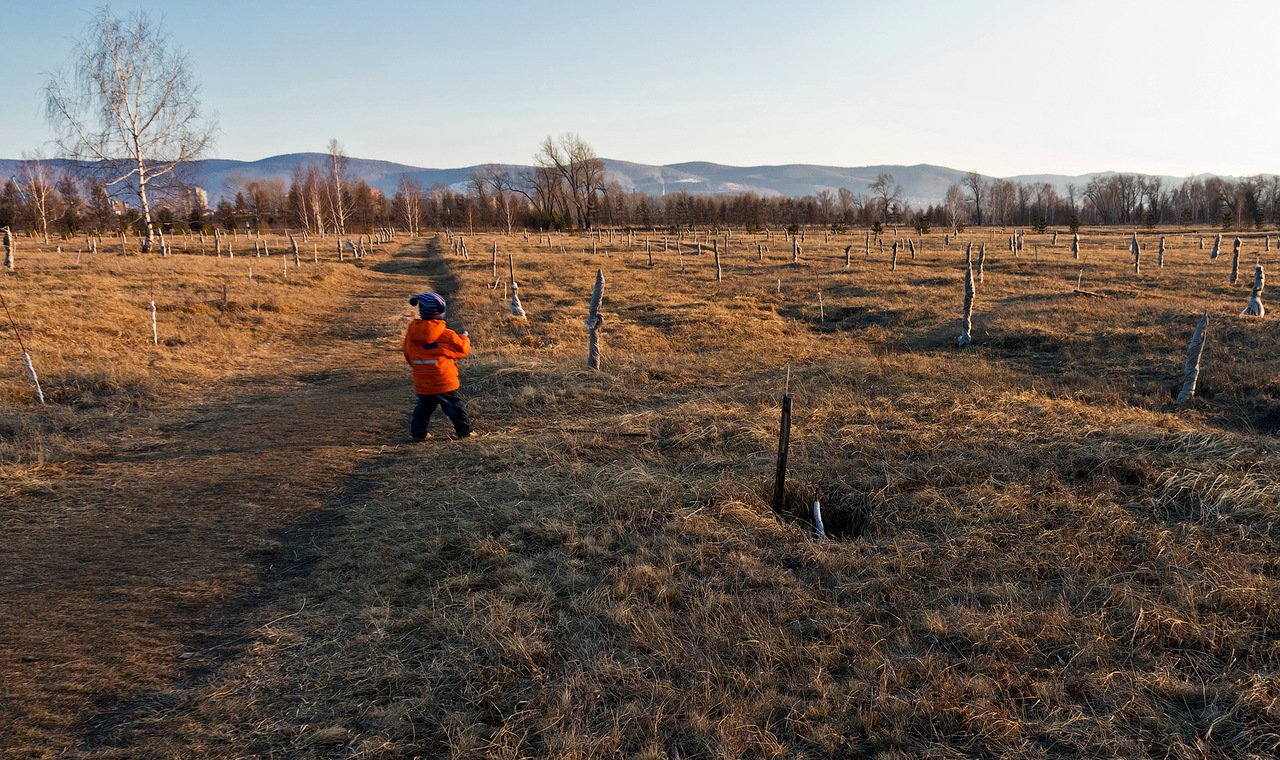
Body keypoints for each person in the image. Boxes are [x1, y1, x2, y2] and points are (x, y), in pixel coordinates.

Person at [403, 292, 472, 440]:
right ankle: (464, 432)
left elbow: (408, 354)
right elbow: (462, 349)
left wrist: (420, 368)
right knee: (454, 408)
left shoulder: (412, 335)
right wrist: (464, 338)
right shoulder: (447, 334)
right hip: (443, 381)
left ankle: (419, 434)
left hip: (422, 380)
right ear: (441, 311)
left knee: (423, 409)